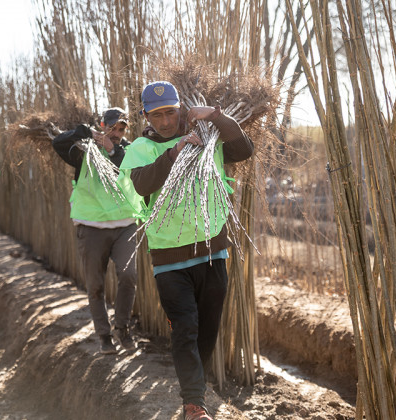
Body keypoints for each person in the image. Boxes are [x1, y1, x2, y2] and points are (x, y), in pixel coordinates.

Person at [119, 81, 253, 420]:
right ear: (145, 115)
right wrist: (174, 154)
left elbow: (244, 149)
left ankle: (196, 392)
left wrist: (216, 116)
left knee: (207, 329)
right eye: (156, 114)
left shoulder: (210, 137)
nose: (165, 121)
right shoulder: (140, 147)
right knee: (185, 327)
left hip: (212, 250)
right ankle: (194, 404)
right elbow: (142, 183)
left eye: (171, 112)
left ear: (181, 109)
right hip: (169, 257)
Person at [52, 107, 144, 355]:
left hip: (125, 224)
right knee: (95, 286)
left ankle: (122, 329)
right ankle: (104, 336)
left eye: (121, 128)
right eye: (112, 127)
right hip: (91, 225)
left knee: (129, 276)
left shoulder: (129, 150)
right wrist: (83, 133)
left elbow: (124, 166)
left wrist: (112, 149)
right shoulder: (83, 150)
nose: (116, 132)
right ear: (102, 125)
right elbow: (58, 143)